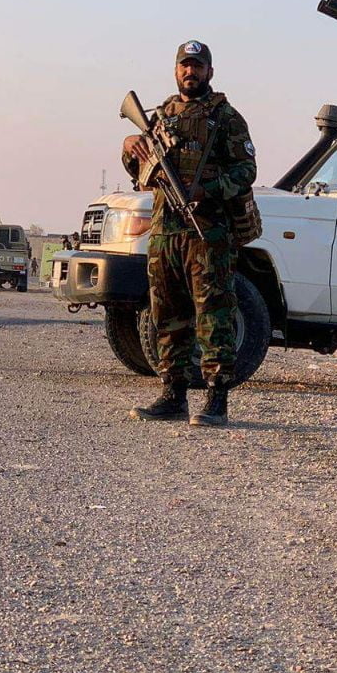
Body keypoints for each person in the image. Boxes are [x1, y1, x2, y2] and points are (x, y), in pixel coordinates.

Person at [122, 40, 257, 427]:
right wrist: (130, 149)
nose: (190, 72)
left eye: (197, 66)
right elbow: (140, 173)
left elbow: (246, 171)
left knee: (214, 315)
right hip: (165, 232)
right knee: (167, 314)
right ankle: (173, 395)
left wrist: (206, 190)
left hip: (207, 232)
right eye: (184, 65)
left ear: (209, 72)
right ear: (176, 70)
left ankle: (216, 399)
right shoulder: (160, 117)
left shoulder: (226, 117)